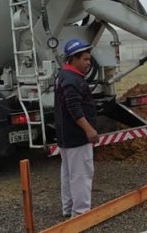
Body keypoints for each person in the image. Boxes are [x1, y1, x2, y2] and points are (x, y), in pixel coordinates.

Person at [55, 38, 99, 218]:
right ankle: (81, 214)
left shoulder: (64, 76)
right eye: (85, 59)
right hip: (77, 136)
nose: (89, 63)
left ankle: (69, 208)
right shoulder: (72, 80)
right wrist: (89, 130)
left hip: (66, 136)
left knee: (68, 174)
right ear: (73, 58)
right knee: (81, 175)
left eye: (89, 59)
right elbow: (75, 108)